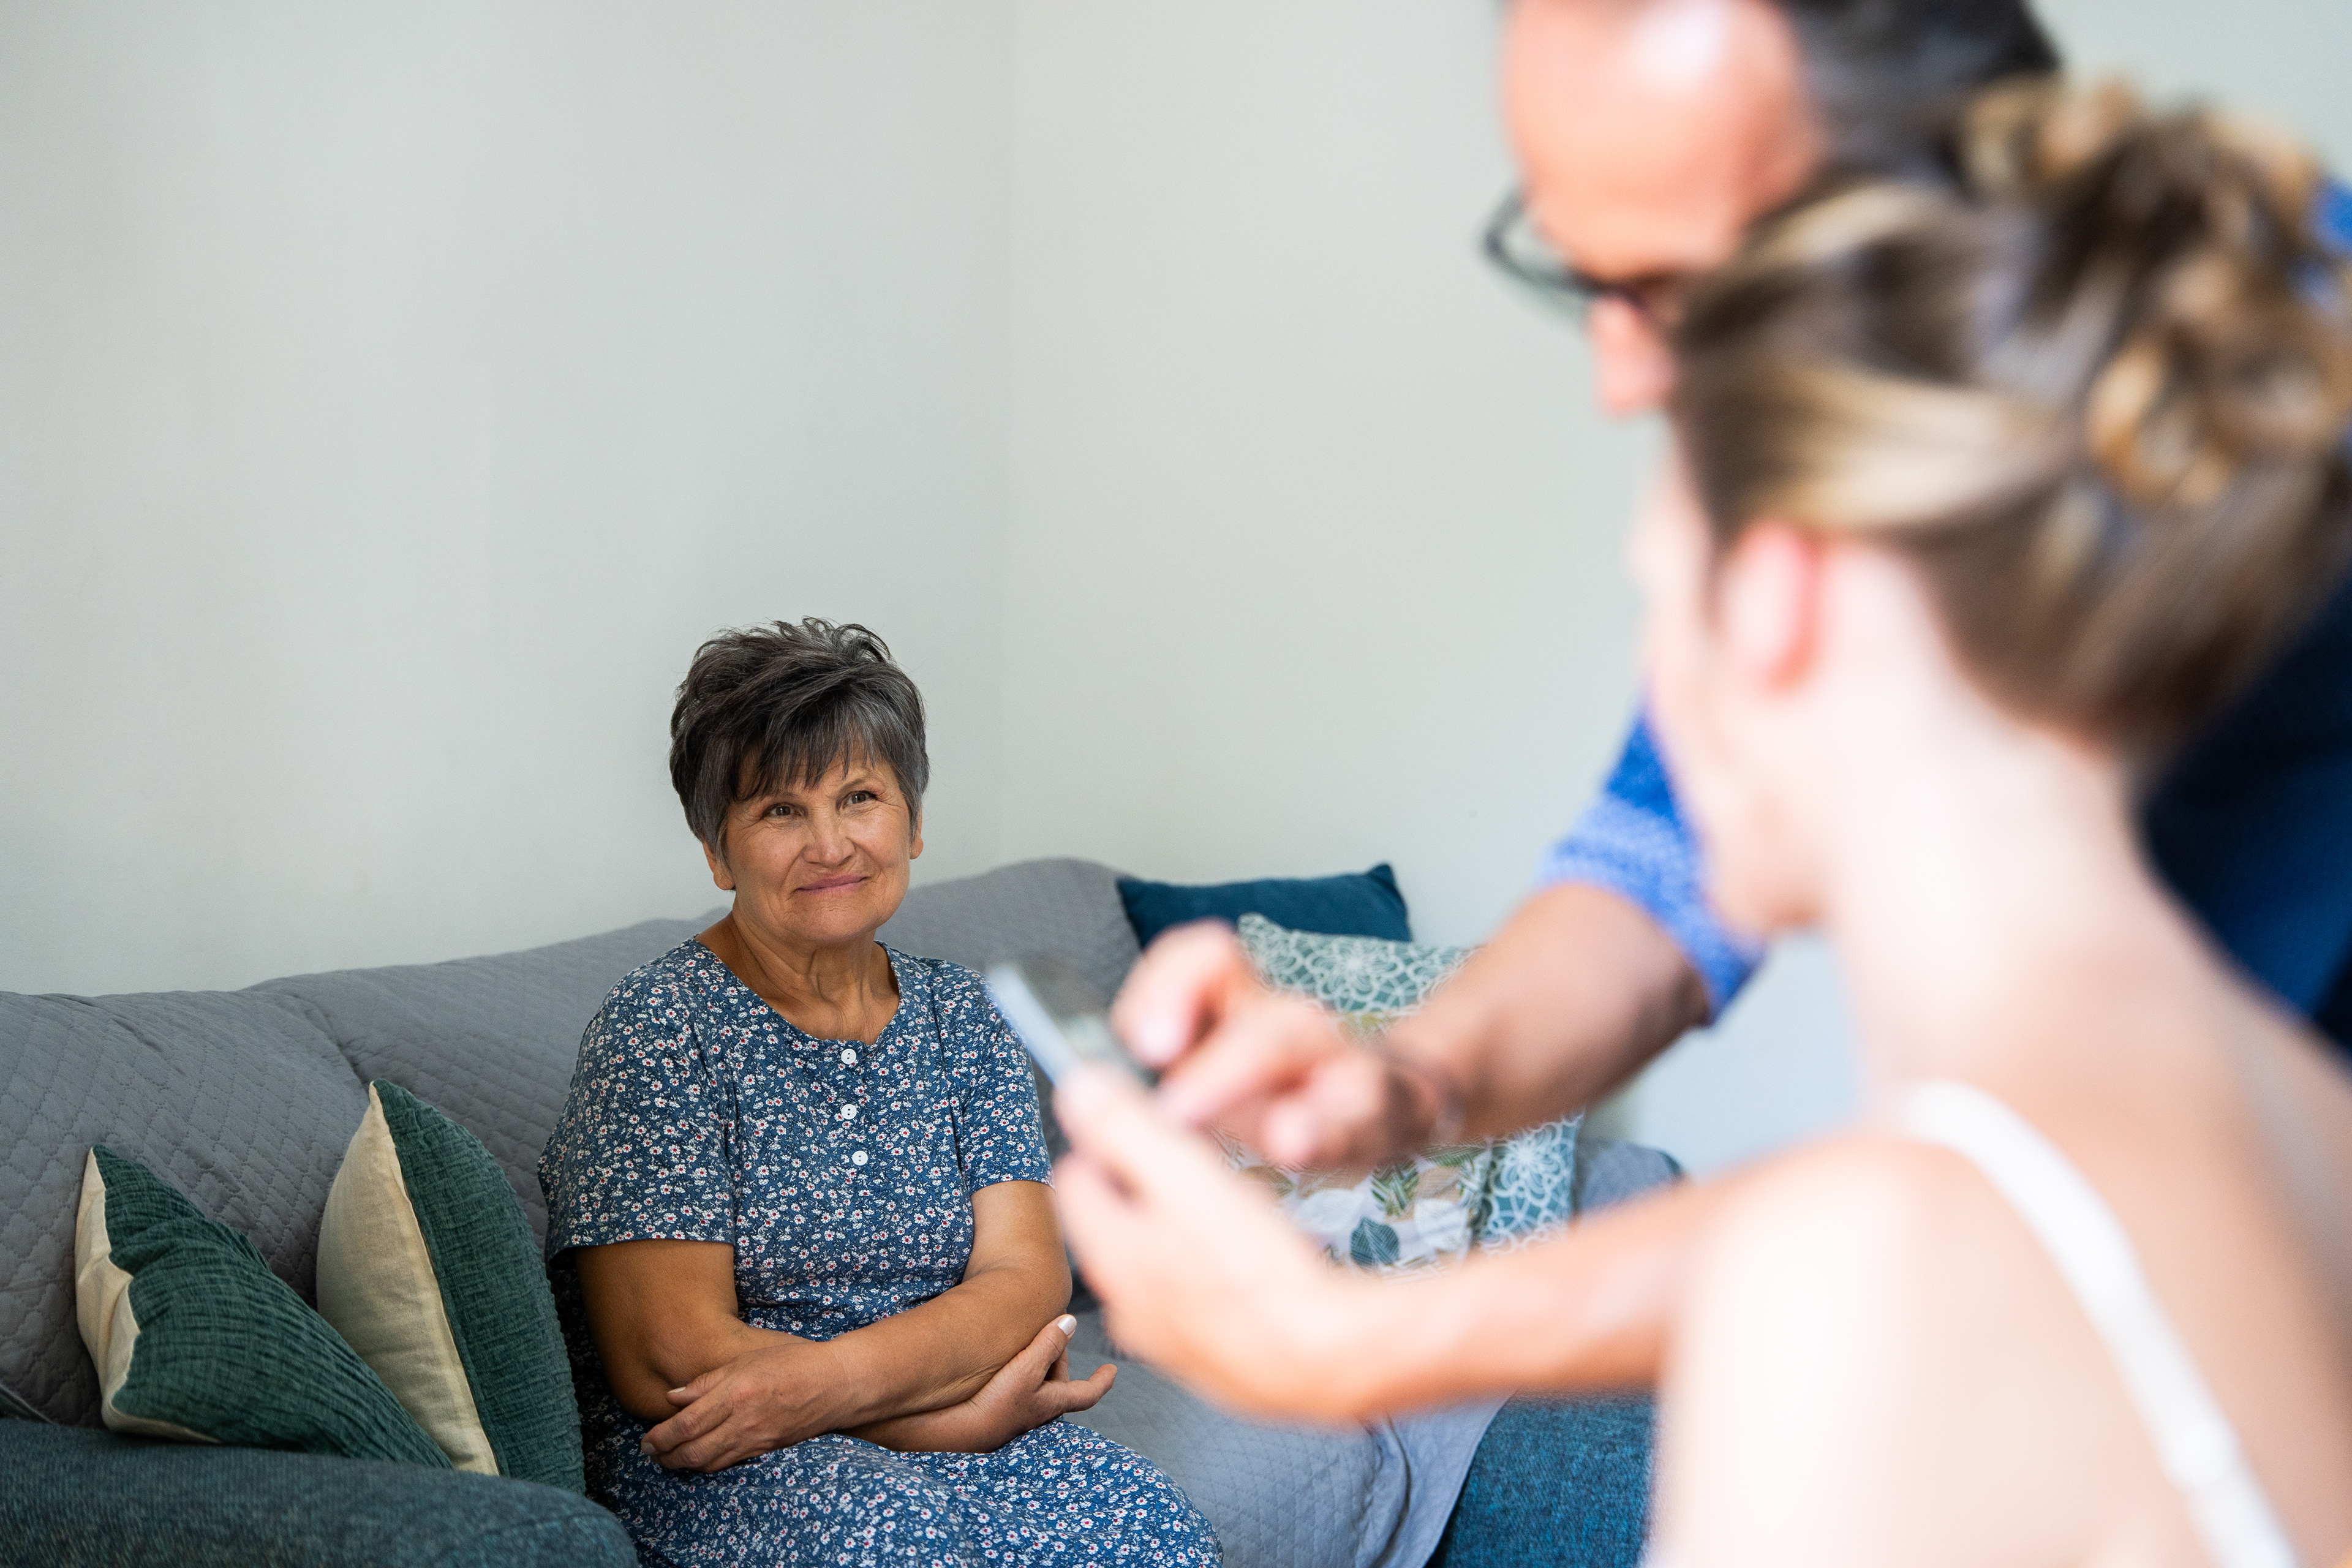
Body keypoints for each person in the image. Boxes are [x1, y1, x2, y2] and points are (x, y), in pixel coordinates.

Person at [1110, 2, 2352, 1559]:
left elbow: (1926, 1249)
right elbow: (1661, 885)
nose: (1620, 375)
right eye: (1580, 274)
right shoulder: (2297, 1122)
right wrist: (1405, 1079)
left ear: (1781, 598)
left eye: (1671, 288)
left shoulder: (1863, 1268)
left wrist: (1343, 1344)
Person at [537, 619, 1219, 1568]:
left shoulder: (962, 1017)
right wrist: (946, 1424)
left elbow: (1027, 1281)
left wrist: (856, 1392)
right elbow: (673, 1361)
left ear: (913, 821)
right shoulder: (658, 1029)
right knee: (904, 1545)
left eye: (859, 797)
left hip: (900, 1411)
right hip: (733, 1455)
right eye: (780, 810)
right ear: (717, 850)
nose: (830, 845)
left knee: (1156, 1534)